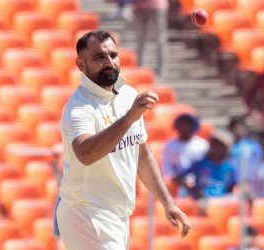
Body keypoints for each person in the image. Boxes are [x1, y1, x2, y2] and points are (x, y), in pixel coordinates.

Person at [53, 30, 190, 250]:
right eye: (99, 57)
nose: (109, 62)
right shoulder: (79, 108)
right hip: (86, 212)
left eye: (113, 55)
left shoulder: (127, 96)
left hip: (117, 214)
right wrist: (129, 118)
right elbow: (86, 154)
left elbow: (142, 156)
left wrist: (168, 202)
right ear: (80, 64)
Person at [173, 129, 236, 200]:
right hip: (202, 201)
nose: (216, 147)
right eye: (213, 143)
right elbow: (178, 178)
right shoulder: (201, 163)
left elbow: (232, 186)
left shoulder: (230, 167)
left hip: (221, 203)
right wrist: (193, 190)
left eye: (219, 144)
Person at [162, 113, 209, 196]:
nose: (185, 128)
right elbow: (167, 166)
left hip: (198, 180)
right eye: (183, 125)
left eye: (188, 125)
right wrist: (174, 178)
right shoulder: (170, 145)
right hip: (177, 180)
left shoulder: (202, 144)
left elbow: (205, 166)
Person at [132, 0, 168, 79]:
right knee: (140, 39)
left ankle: (161, 71)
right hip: (140, 6)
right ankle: (140, 70)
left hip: (156, 5)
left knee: (159, 39)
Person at [227, 117, 262, 182]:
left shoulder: (253, 146)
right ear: (230, 129)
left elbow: (259, 163)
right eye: (234, 127)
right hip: (231, 182)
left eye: (240, 127)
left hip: (249, 181)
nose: (237, 130)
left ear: (245, 129)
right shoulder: (226, 146)